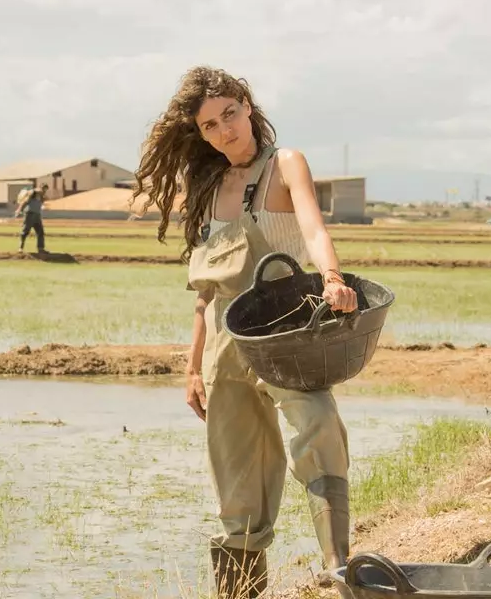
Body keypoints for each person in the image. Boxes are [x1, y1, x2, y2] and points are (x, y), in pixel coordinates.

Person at [131, 66, 359, 598]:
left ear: (248, 106)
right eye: (209, 126)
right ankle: (238, 594)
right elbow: (205, 290)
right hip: (223, 346)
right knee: (238, 475)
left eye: (229, 114)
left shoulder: (286, 164)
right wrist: (192, 368)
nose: (224, 130)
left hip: (285, 330)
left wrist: (332, 279)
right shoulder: (208, 185)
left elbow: (314, 229)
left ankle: (338, 566)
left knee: (319, 424)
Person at [14, 183, 47, 253]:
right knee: (25, 231)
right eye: (44, 189)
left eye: (45, 190)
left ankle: (40, 248)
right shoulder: (33, 193)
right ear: (40, 188)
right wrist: (19, 210)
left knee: (40, 232)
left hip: (37, 215)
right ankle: (20, 248)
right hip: (30, 214)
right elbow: (24, 202)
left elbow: (40, 203)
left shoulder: (42, 196)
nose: (44, 191)